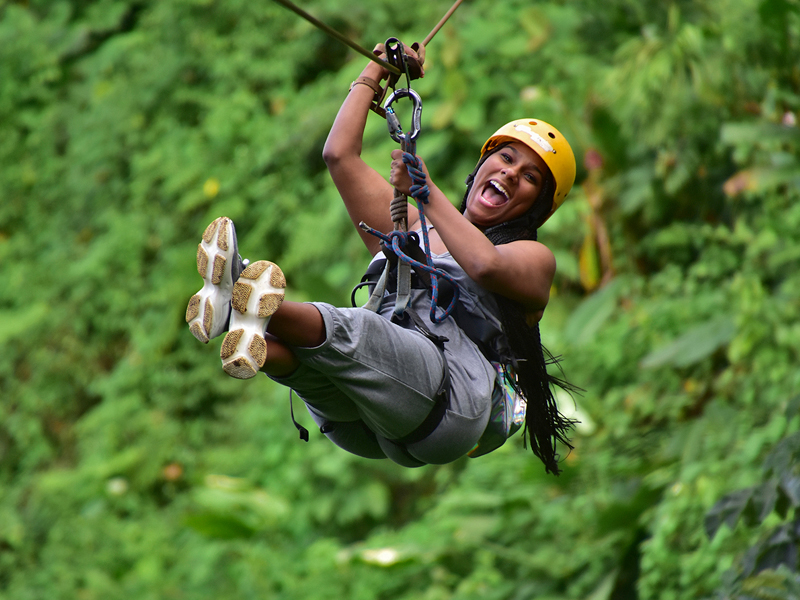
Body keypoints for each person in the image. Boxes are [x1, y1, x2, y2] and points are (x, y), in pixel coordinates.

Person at [185, 43, 577, 473]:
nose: (510, 173)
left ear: (537, 208)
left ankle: (243, 297)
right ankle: (243, 324)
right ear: (483, 163)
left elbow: (485, 265)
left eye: (529, 177)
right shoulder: (415, 226)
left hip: (451, 402)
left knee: (358, 330)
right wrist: (375, 71)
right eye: (506, 157)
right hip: (363, 418)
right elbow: (339, 156)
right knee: (307, 363)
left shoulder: (532, 258)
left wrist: (424, 189)